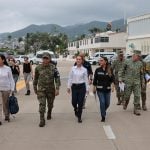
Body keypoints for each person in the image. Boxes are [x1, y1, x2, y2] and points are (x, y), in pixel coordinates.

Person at [33, 53, 61, 127]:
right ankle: (42, 119)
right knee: (42, 104)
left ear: (49, 59)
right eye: (44, 58)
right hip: (41, 90)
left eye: (47, 58)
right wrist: (35, 88)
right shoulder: (38, 68)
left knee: (50, 104)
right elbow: (35, 78)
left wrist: (57, 88)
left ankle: (49, 112)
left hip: (51, 89)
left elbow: (57, 78)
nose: (45, 60)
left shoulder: (53, 67)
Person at [118, 50, 144, 115]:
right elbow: (121, 70)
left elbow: (141, 74)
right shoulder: (127, 61)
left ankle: (135, 109)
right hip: (128, 82)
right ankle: (126, 103)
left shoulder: (140, 63)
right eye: (138, 56)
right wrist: (120, 78)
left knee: (137, 95)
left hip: (136, 82)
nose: (139, 58)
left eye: (139, 57)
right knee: (127, 96)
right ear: (134, 55)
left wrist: (143, 82)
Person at [67, 55, 89, 123]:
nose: (78, 60)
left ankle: (79, 116)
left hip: (82, 87)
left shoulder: (84, 70)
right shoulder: (73, 68)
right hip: (74, 87)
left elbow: (86, 80)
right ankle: (75, 109)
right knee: (74, 101)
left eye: (80, 59)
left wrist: (87, 89)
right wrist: (68, 87)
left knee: (80, 102)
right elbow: (70, 78)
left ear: (82, 61)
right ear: (76, 60)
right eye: (77, 59)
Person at [93, 57, 114, 122]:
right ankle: (103, 116)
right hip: (100, 90)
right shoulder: (97, 70)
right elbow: (95, 80)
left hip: (107, 89)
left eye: (101, 60)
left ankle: (103, 110)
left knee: (107, 103)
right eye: (99, 61)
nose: (100, 62)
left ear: (105, 62)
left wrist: (113, 86)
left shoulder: (110, 69)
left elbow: (112, 79)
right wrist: (93, 88)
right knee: (102, 102)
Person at [0, 54, 15, 125]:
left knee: (5, 103)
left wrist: (12, 89)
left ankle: (6, 115)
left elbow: (11, 79)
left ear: (3, 60)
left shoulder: (7, 68)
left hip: (6, 88)